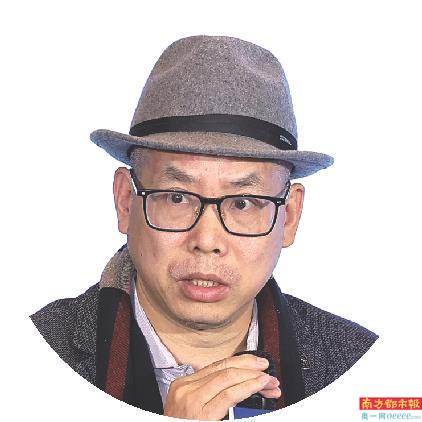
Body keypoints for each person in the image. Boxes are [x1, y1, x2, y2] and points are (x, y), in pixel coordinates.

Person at [30, 35, 378, 420]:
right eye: (177, 197)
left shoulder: (362, 367)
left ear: (291, 216)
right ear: (125, 201)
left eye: (243, 203)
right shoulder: (31, 359)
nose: (207, 241)